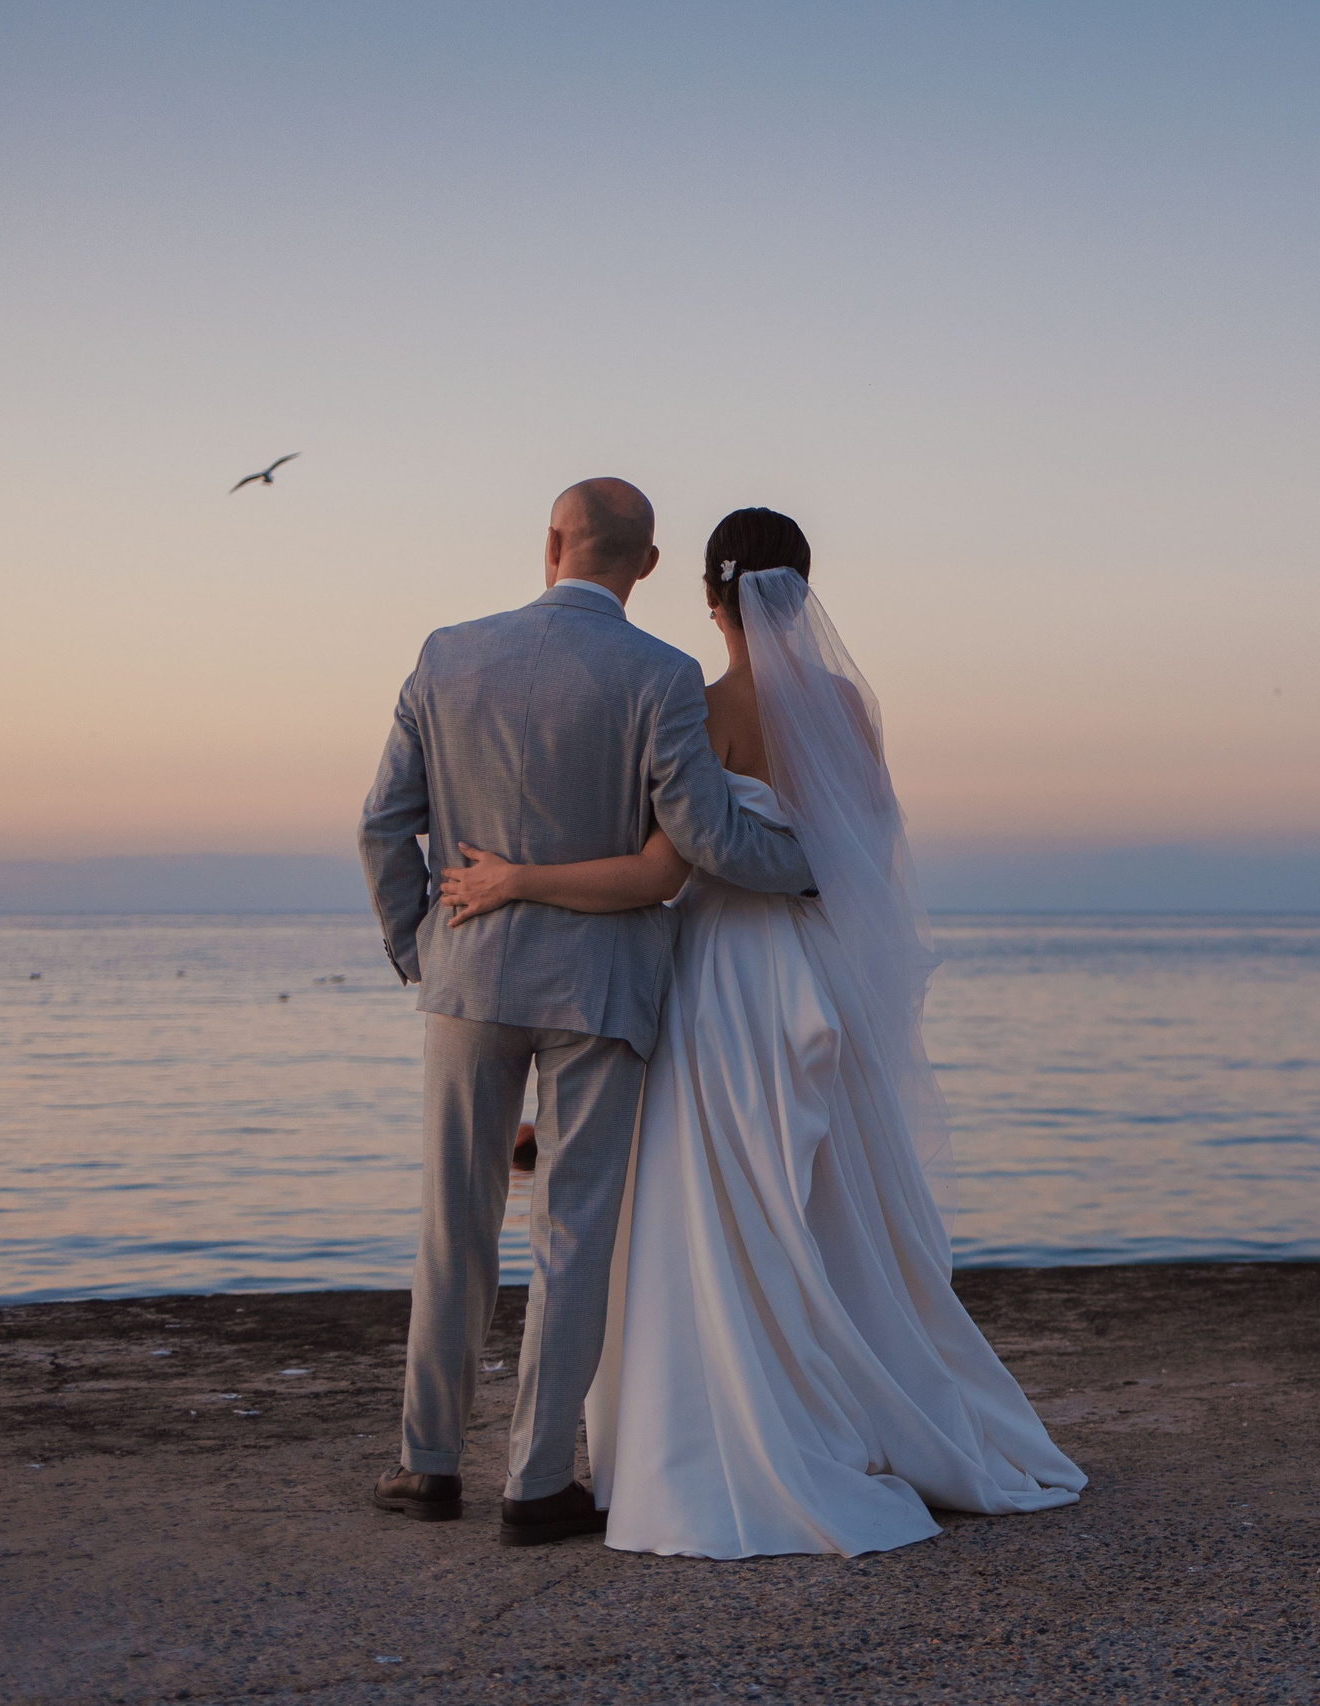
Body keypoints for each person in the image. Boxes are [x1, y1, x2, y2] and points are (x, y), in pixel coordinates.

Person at [436, 507, 1084, 1556]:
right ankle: (866, 1399)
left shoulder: (702, 703)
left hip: (725, 974)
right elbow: (855, 852)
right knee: (834, 1195)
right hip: (818, 966)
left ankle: (740, 1409)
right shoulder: (845, 706)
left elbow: (664, 869)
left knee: (711, 1194)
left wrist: (519, 878)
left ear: (706, 595)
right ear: (803, 587)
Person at [359, 480, 817, 1545]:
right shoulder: (658, 673)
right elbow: (704, 832)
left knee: (451, 1225)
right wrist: (815, 867)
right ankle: (533, 1482)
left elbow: (384, 825)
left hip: (468, 977)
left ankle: (426, 1464)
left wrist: (421, 950)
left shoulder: (445, 653)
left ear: (551, 544)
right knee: (570, 1234)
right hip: (601, 984)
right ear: (647, 566)